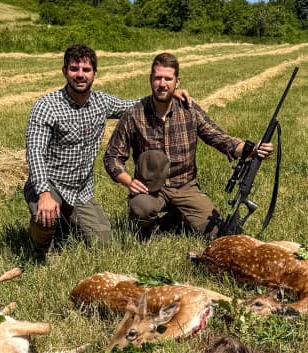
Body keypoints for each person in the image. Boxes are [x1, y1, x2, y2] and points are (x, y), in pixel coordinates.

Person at [24, 43, 191, 256]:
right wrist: (44, 193)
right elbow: (35, 153)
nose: (80, 75)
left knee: (104, 244)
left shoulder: (101, 102)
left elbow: (135, 106)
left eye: (86, 70)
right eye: (74, 69)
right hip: (50, 184)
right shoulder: (46, 106)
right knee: (45, 217)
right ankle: (41, 248)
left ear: (94, 73)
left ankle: (64, 224)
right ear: (64, 71)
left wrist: (170, 93)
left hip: (80, 191)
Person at [103, 52, 273, 237]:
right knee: (140, 208)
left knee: (217, 233)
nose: (162, 84)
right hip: (150, 188)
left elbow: (218, 137)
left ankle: (175, 220)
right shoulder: (134, 114)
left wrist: (251, 149)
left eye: (168, 79)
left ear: (177, 82)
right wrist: (129, 181)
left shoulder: (189, 109)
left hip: (185, 186)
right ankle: (151, 230)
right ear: (150, 79)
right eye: (158, 78)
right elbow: (112, 156)